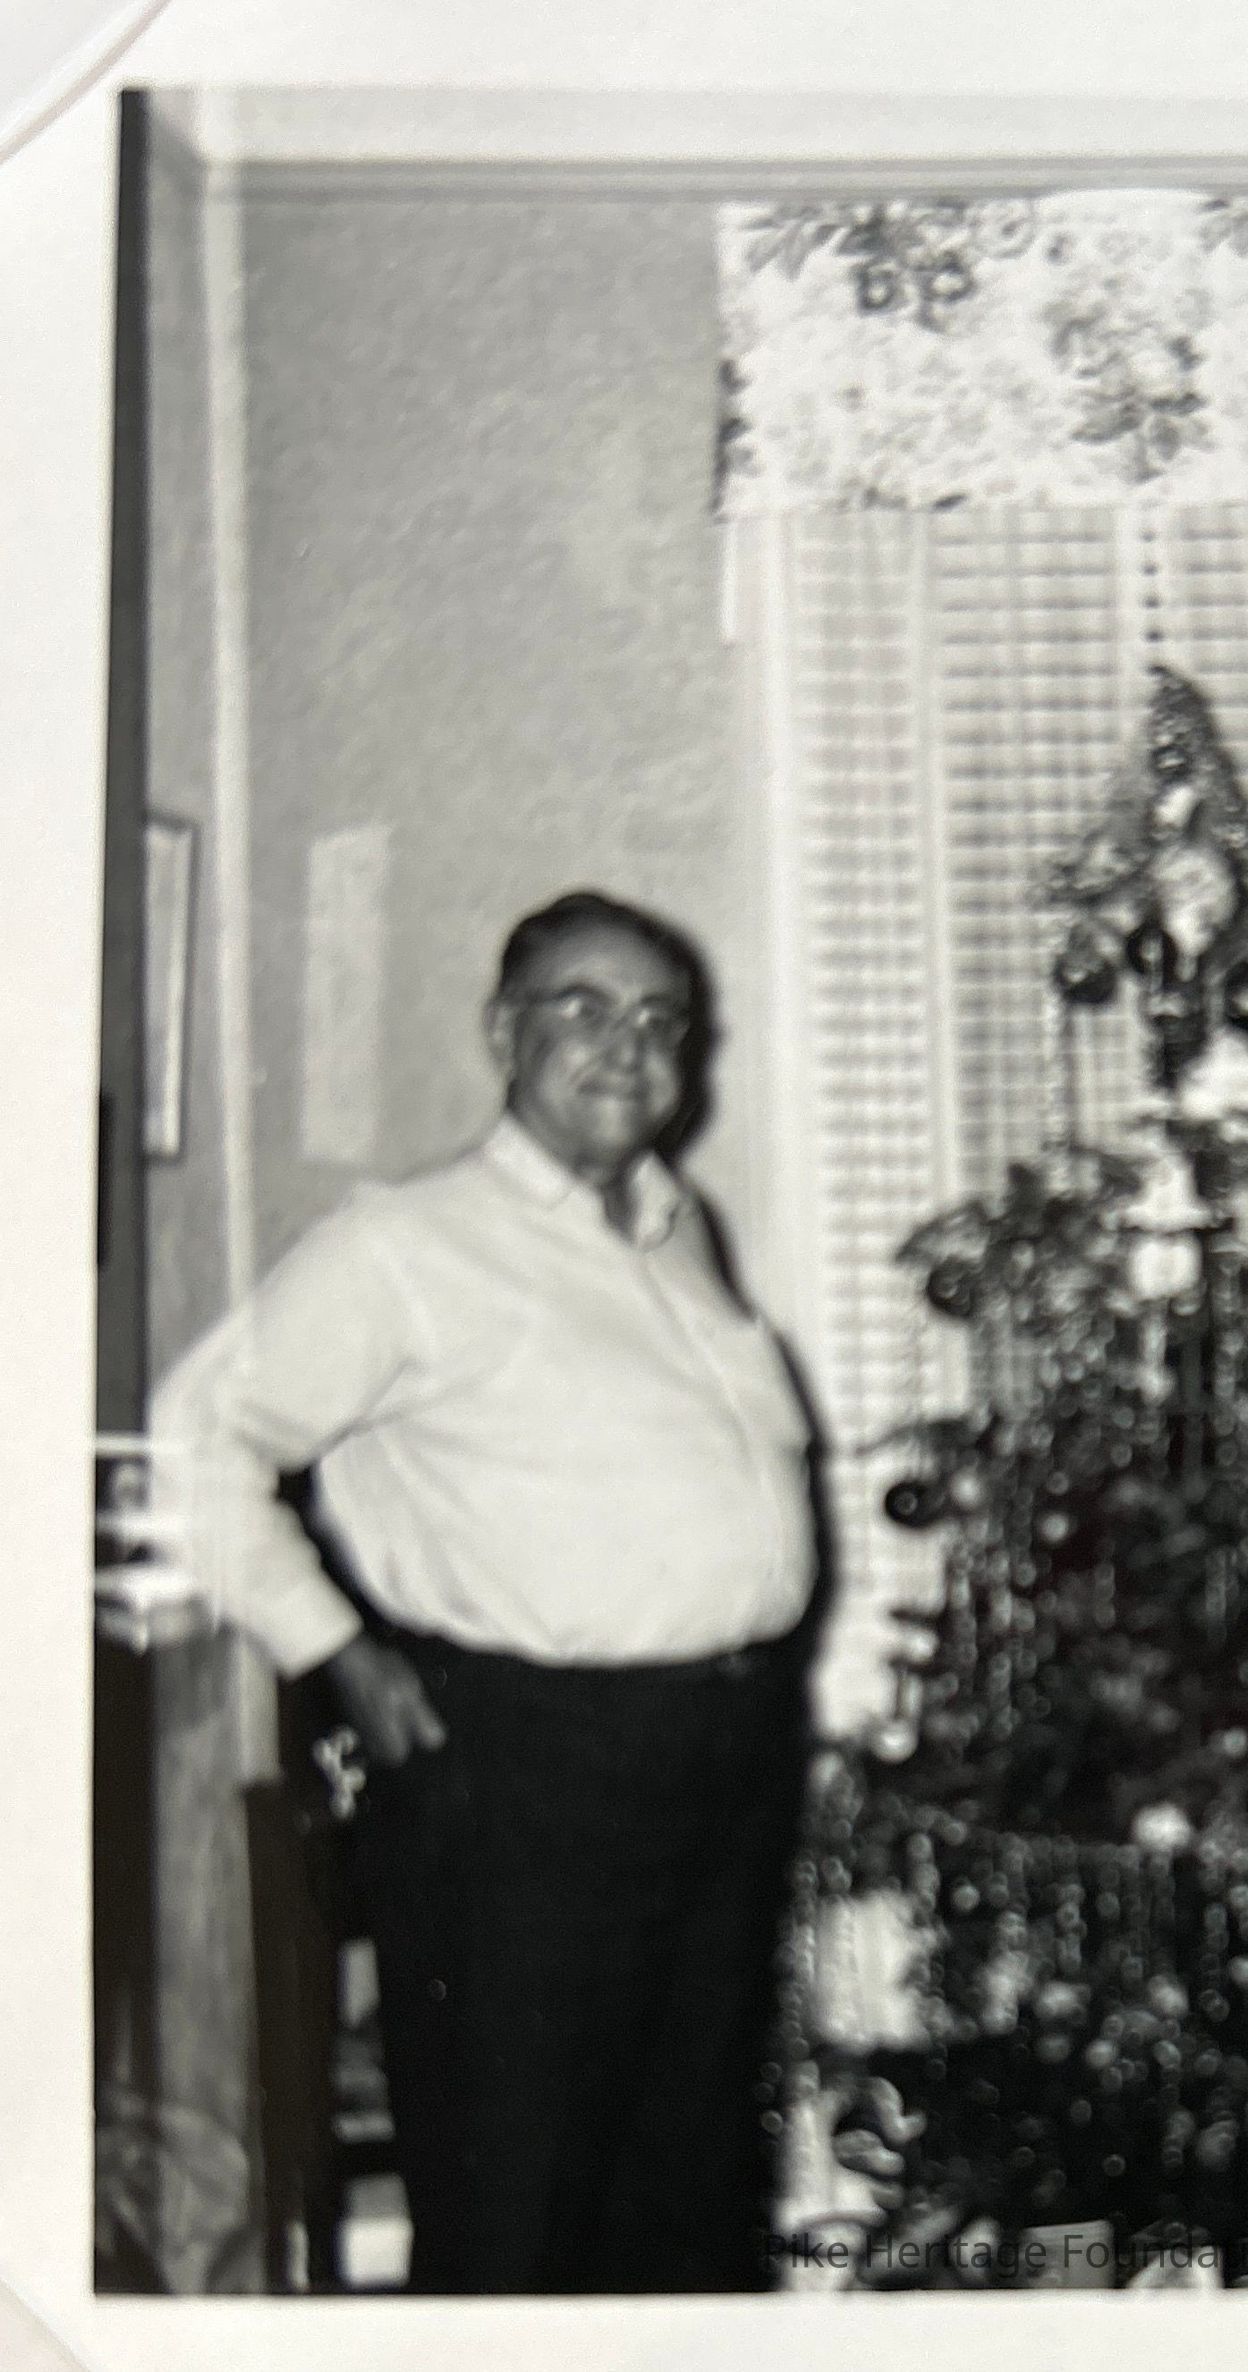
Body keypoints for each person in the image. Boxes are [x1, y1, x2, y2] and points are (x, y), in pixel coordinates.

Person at [155, 890, 830, 2293]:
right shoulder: (404, 1244)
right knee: (516, 2186)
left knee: (690, 2176)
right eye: (583, 1008)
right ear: (501, 1034)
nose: (627, 1045)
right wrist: (336, 1648)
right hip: (525, 1772)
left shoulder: (677, 1228)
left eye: (660, 1019)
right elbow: (194, 1442)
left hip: (723, 1754)